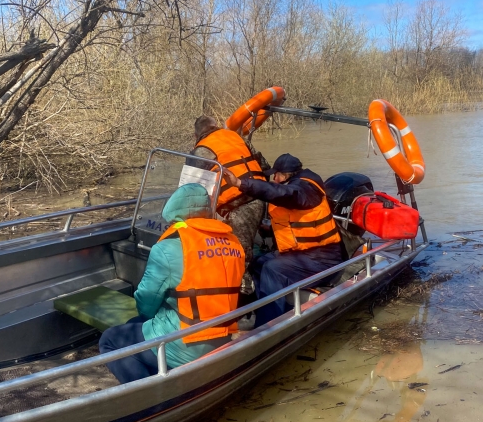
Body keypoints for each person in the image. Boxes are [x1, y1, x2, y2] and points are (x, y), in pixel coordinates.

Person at [99, 183, 245, 383]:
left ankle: (149, 398)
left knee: (110, 339)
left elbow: (146, 302)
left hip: (185, 343)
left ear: (173, 212)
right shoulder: (234, 243)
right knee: (135, 325)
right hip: (224, 335)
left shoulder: (167, 249)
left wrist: (150, 317)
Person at [222, 153, 343, 327]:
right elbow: (298, 222)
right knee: (258, 263)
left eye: (276, 175)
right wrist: (269, 229)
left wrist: (241, 184)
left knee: (274, 269)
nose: (274, 179)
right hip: (305, 253)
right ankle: (257, 312)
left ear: (286, 176)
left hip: (323, 258)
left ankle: (268, 326)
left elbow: (281, 193)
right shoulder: (296, 188)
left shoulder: (304, 189)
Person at [189, 115, 268, 292]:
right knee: (242, 250)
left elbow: (189, 188)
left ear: (196, 135)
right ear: (215, 126)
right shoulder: (236, 137)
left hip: (239, 207)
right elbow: (263, 165)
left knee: (238, 257)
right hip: (259, 196)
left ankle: (244, 300)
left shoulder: (201, 150)